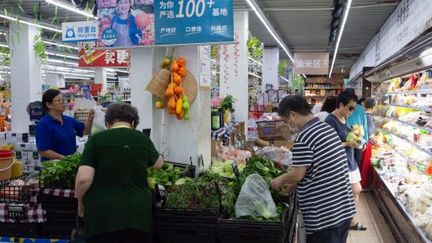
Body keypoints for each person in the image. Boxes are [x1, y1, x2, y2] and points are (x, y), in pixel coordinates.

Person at [75, 103, 164, 243]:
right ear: (133, 123)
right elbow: (158, 163)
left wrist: (80, 203)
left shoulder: (96, 140)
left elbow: (83, 179)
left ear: (108, 123)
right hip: (137, 213)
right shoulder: (142, 139)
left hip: (102, 215)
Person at [272, 95, 355, 243]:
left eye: (286, 120)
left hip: (325, 217)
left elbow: (297, 174)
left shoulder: (304, 136)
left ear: (293, 114)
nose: (288, 124)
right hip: (342, 209)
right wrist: (295, 183)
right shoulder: (325, 128)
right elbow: (321, 167)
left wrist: (280, 179)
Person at [325, 91, 366, 231]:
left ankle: (349, 219)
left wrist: (356, 137)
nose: (352, 111)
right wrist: (347, 144)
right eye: (350, 108)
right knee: (353, 190)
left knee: (355, 190)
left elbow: (346, 136)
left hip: (349, 158)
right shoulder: (330, 120)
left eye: (354, 108)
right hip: (339, 162)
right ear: (341, 105)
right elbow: (328, 145)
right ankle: (348, 220)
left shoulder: (344, 118)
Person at [36, 89, 94, 162]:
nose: (65, 102)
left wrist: (90, 119)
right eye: (60, 100)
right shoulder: (43, 124)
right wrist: (65, 158)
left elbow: (85, 131)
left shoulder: (69, 120)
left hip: (69, 164)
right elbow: (43, 151)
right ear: (49, 104)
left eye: (64, 100)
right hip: (54, 168)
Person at [344, 89, 368, 167]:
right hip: (359, 139)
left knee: (347, 164)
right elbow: (364, 125)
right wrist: (365, 141)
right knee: (357, 163)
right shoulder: (361, 109)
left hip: (347, 139)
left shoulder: (344, 107)